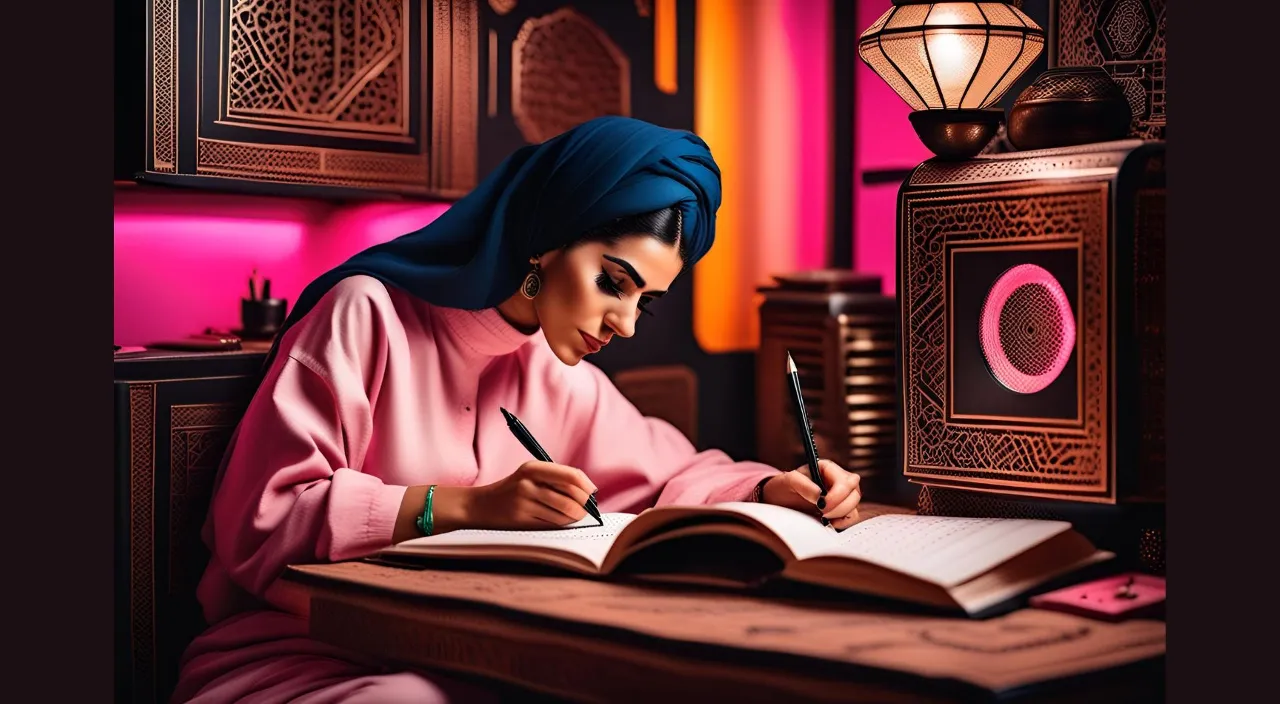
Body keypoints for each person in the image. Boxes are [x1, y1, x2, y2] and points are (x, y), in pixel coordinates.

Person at [171, 116, 863, 703]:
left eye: (644, 302)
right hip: (302, 654)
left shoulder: (556, 368)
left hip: (468, 660)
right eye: (612, 283)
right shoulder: (365, 315)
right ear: (548, 236)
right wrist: (463, 508)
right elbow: (260, 521)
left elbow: (672, 475)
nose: (623, 323)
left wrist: (772, 489)